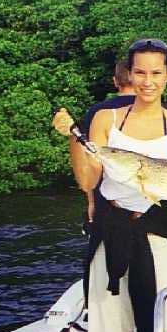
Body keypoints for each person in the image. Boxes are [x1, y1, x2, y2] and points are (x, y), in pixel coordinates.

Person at [80, 39, 167, 332]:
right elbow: (89, 180)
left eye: (156, 73)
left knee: (164, 327)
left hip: (160, 234)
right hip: (111, 231)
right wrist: (73, 142)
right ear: (129, 74)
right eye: (140, 72)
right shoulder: (107, 119)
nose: (148, 82)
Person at [53, 60, 136, 227]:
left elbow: (89, 161)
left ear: (115, 81)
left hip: (106, 199)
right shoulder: (161, 112)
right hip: (151, 202)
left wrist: (92, 202)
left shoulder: (98, 112)